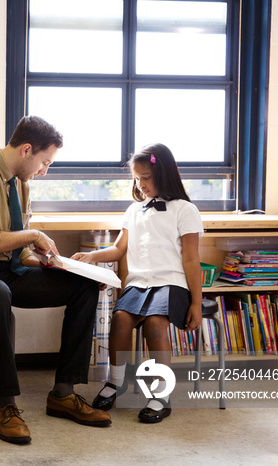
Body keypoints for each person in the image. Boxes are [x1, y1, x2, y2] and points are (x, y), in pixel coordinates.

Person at [0, 115, 110, 445]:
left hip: (7, 272)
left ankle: (63, 392)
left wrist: (53, 264)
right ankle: (4, 405)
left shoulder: (20, 183)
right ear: (27, 150)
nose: (44, 170)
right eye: (44, 162)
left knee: (83, 286)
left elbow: (20, 255)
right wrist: (32, 234)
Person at [73, 143, 203, 423]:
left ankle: (160, 394)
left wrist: (196, 302)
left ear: (164, 174)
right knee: (119, 319)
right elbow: (119, 249)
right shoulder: (134, 211)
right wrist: (92, 256)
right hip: (139, 282)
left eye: (146, 177)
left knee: (155, 326)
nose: (140, 184)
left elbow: (192, 260)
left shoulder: (185, 210)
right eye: (136, 178)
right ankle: (115, 382)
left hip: (172, 283)